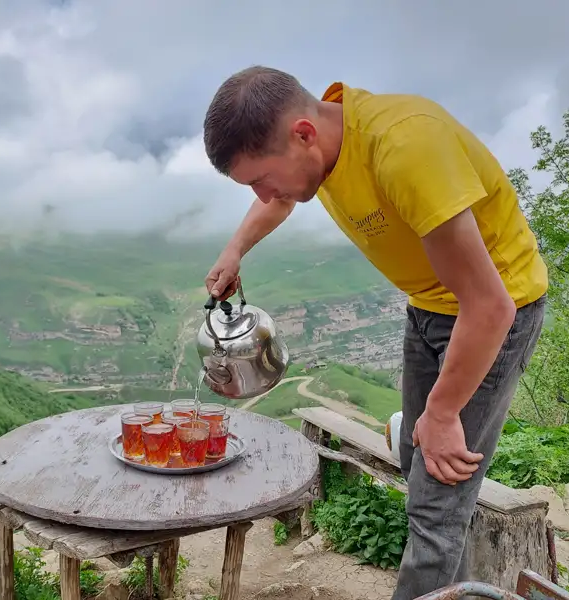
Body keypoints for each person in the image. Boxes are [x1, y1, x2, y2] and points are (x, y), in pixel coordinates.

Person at [201, 66, 547, 600]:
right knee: (417, 459)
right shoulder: (324, 145)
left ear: (303, 134)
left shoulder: (405, 147)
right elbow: (281, 197)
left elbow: (489, 306)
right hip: (428, 307)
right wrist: (234, 250)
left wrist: (443, 412)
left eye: (260, 178)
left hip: (493, 316)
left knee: (435, 506)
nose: (264, 193)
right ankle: (417, 437)